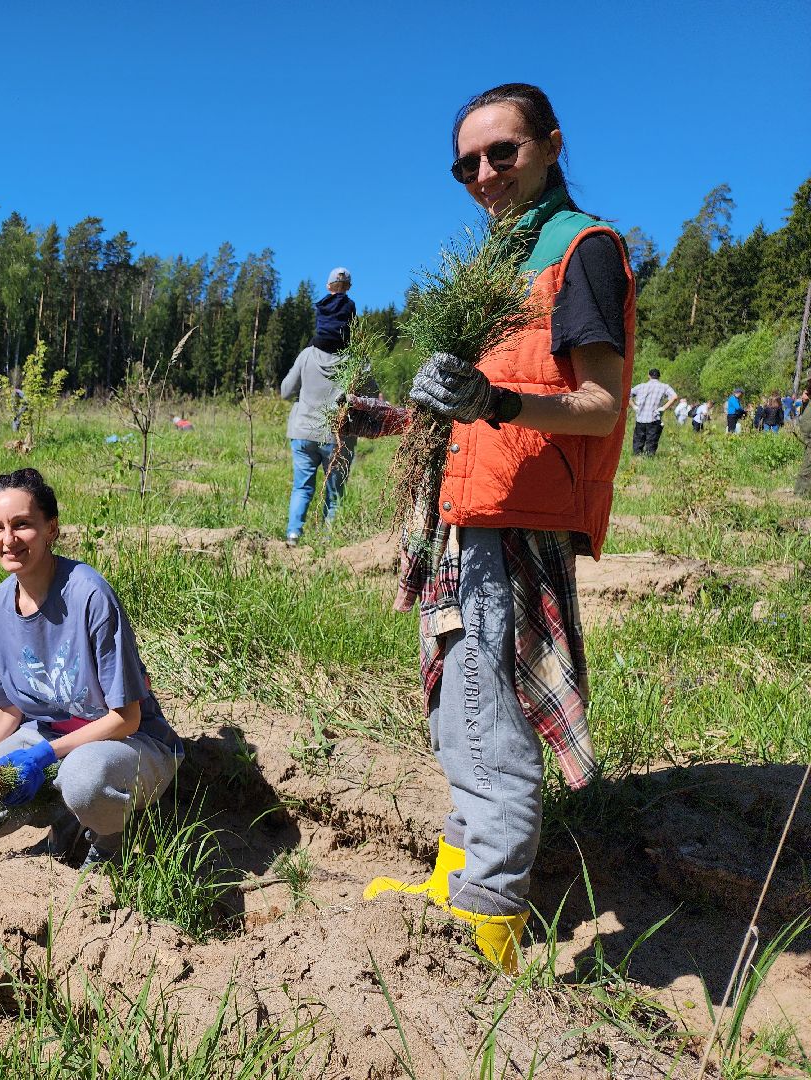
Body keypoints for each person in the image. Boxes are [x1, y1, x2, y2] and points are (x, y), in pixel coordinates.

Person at [352, 83, 634, 974]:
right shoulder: (496, 269)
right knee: (456, 710)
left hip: (514, 528)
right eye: (465, 163)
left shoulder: (576, 251)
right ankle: (457, 876)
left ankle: (488, 924)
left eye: (501, 153)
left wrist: (496, 397)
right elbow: (480, 422)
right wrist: (400, 421)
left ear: (551, 144)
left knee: (489, 717)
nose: (482, 174)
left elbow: (597, 405)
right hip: (464, 518)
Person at [0, 468, 183, 868]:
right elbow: (7, 708)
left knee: (83, 780)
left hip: (128, 745)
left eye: (22, 525)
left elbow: (126, 718)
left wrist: (45, 756)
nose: (8, 540)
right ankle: (67, 817)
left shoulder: (89, 595)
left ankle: (112, 838)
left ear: (51, 529)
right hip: (47, 742)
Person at [280, 343, 376, 543]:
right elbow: (372, 396)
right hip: (338, 436)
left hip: (303, 432)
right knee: (334, 494)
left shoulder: (307, 355)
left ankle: (293, 534)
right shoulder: (357, 360)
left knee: (301, 487)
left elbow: (286, 391)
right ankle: (328, 540)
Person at [628, 367, 677, 455]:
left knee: (638, 441)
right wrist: (663, 408)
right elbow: (674, 397)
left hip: (640, 418)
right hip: (654, 418)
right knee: (651, 443)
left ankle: (637, 459)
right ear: (659, 376)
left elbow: (627, 394)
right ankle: (649, 460)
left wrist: (634, 406)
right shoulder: (664, 387)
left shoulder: (641, 386)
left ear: (648, 376)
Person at [311, 267, 356, 353]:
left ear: (328, 286)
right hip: (340, 343)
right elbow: (354, 326)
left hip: (320, 341)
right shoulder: (350, 304)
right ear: (349, 287)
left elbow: (318, 324)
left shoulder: (322, 303)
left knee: (305, 352)